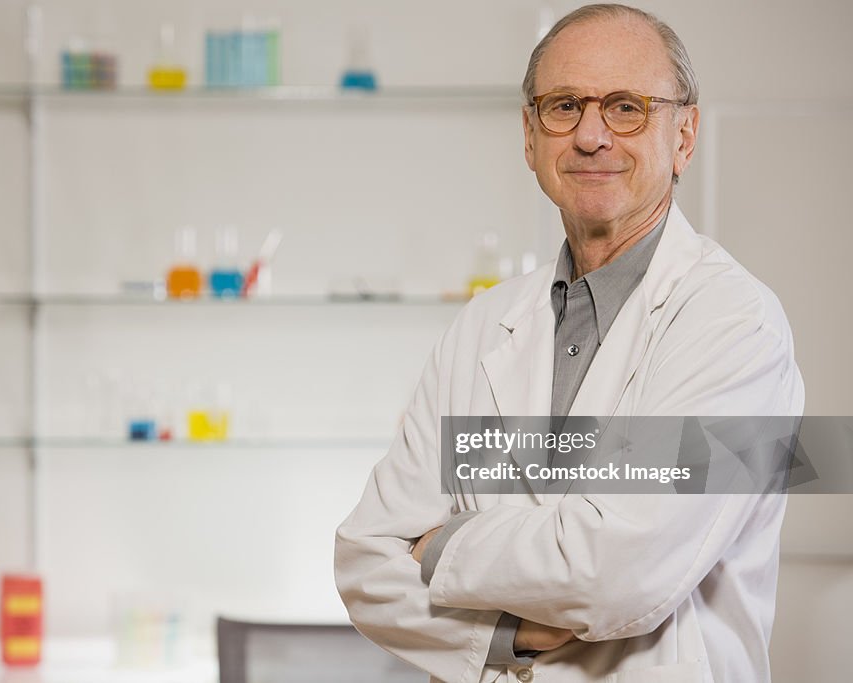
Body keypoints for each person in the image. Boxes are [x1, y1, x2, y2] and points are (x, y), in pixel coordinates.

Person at [334, 4, 803, 683]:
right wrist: (513, 628)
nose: (590, 136)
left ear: (685, 134)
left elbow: (621, 569)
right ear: (530, 136)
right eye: (563, 106)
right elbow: (364, 559)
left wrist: (442, 545)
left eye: (626, 107)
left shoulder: (734, 324)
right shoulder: (483, 326)